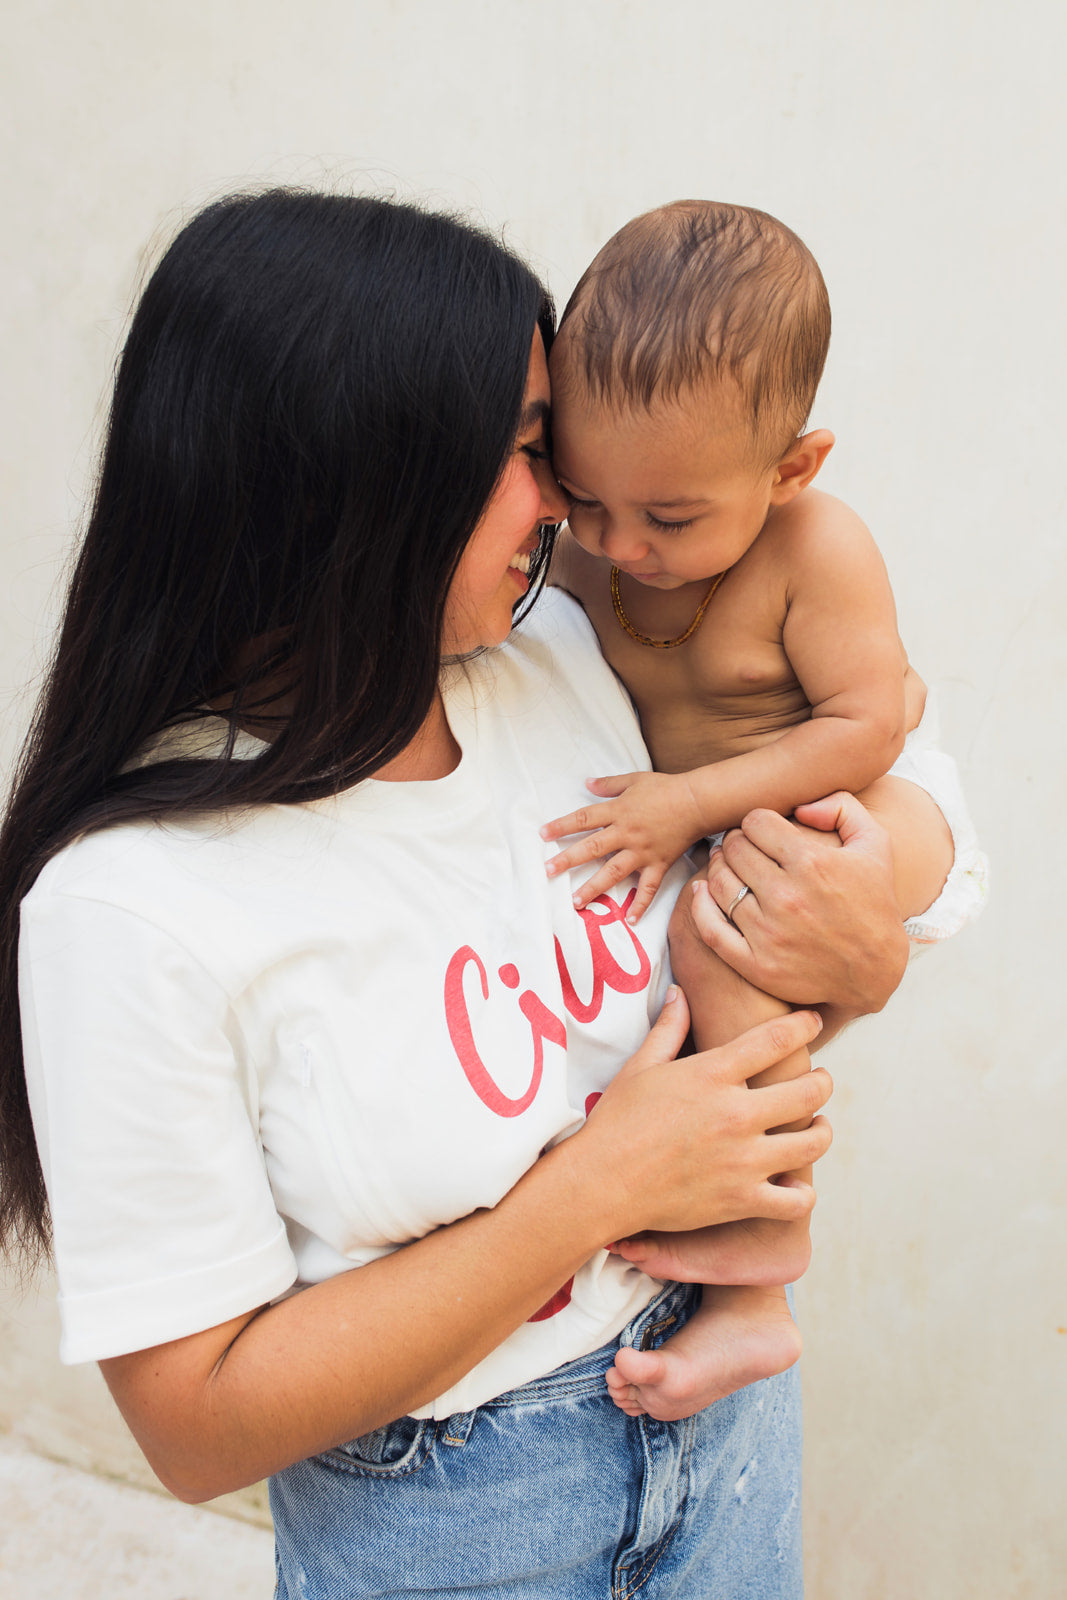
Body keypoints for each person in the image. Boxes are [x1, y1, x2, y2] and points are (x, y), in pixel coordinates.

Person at [0, 190, 908, 1598]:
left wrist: (873, 930)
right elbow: (192, 1425)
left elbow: (878, 770)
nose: (567, 510)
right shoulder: (128, 907)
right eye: (529, 451)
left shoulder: (559, 659)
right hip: (459, 1526)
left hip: (722, 1432)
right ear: (362, 481)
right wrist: (594, 1188)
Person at [540, 200, 988, 1423]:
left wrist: (688, 800)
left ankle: (755, 1278)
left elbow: (869, 724)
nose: (619, 543)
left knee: (715, 938)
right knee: (692, 969)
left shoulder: (815, 547)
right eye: (584, 498)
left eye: (669, 517)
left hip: (864, 809)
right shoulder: (582, 551)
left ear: (790, 469)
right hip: (726, 828)